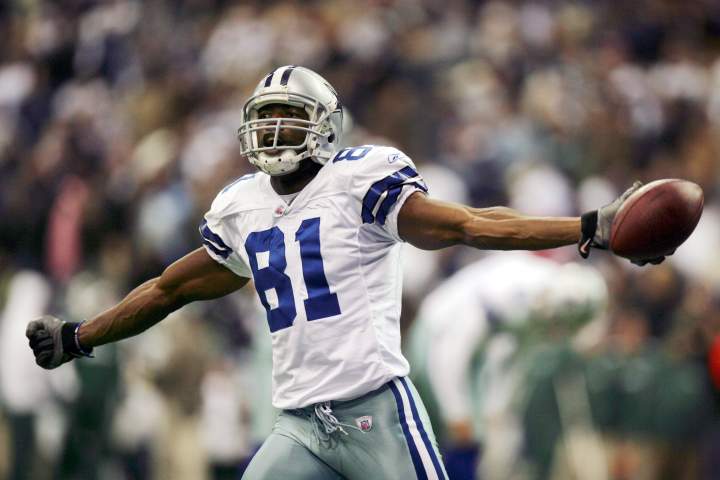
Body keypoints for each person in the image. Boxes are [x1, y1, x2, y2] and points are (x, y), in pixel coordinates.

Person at [25, 66, 664, 480]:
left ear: (325, 128)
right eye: (264, 117)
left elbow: (468, 223)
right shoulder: (241, 207)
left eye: (288, 116)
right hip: (298, 424)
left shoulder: (360, 181)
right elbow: (168, 289)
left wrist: (586, 227)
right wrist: (81, 335)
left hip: (375, 410)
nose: (272, 130)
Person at [407, 251, 608, 479]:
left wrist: (497, 409)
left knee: (479, 435)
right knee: (442, 431)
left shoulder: (544, 300)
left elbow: (514, 358)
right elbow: (451, 352)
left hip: (473, 353)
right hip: (438, 334)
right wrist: (456, 412)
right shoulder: (510, 291)